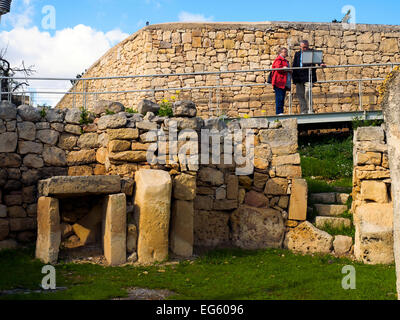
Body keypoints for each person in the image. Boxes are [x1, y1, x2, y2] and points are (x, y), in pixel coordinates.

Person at [292, 40, 326, 114]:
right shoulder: (297, 54)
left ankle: (310, 110)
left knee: (308, 94)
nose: (305, 49)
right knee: (300, 94)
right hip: (299, 76)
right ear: (300, 47)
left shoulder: (312, 52)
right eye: (304, 47)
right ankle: (303, 111)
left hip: (308, 75)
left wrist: (321, 64)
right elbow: (294, 65)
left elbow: (318, 60)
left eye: (306, 47)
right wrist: (294, 78)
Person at [271, 47, 292, 115]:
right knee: (279, 98)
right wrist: (287, 69)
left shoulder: (285, 61)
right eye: (284, 52)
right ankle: (279, 113)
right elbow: (278, 68)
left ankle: (280, 112)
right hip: (279, 82)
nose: (286, 53)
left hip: (283, 82)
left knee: (282, 98)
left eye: (286, 52)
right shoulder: (279, 60)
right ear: (280, 53)